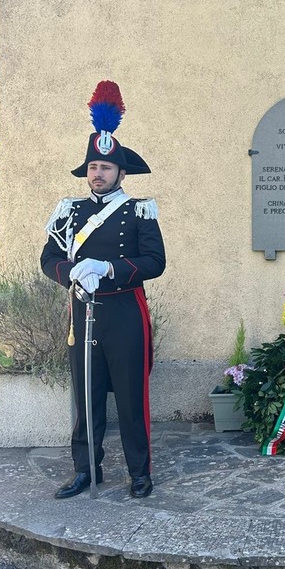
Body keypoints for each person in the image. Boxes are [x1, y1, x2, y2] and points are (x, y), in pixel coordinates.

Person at [41, 81, 166, 499]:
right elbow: (48, 258)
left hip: (125, 313)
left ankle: (139, 472)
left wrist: (108, 267)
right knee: (86, 396)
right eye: (93, 166)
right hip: (82, 312)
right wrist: (72, 273)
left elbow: (155, 262)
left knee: (131, 399)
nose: (98, 173)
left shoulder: (139, 210)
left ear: (121, 173)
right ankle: (84, 469)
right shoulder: (69, 212)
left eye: (106, 167)